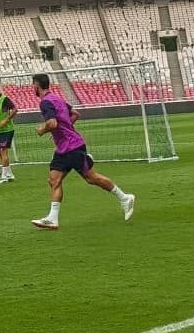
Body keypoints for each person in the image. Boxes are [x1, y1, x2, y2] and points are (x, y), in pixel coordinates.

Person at [30, 73, 135, 230]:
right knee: (54, 180)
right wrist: (63, 131)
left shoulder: (45, 102)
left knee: (91, 178)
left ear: (36, 85)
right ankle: (52, 218)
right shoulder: (56, 98)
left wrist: (41, 130)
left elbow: (51, 123)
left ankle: (125, 197)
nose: (33, 88)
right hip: (64, 147)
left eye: (33, 85)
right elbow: (74, 114)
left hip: (72, 147)